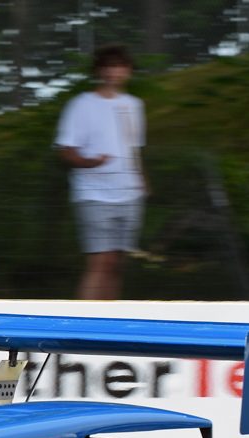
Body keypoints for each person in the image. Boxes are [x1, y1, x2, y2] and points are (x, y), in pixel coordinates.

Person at [56, 44, 147, 300]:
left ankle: (109, 324)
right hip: (94, 193)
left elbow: (134, 149)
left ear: (128, 71)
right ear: (99, 71)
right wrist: (88, 163)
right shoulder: (81, 105)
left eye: (120, 67)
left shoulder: (134, 105)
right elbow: (66, 149)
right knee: (100, 261)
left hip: (129, 194)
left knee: (118, 263)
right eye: (108, 67)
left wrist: (142, 182)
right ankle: (82, 325)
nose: (114, 73)